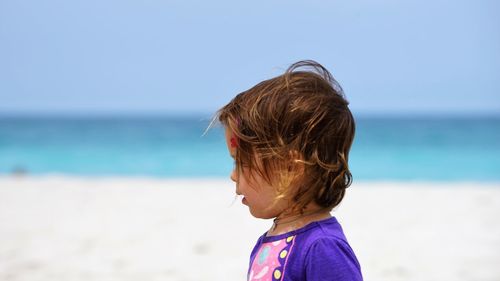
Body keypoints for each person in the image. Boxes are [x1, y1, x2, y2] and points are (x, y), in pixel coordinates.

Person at [215, 60, 362, 281]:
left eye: (241, 163)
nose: (233, 175)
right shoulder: (271, 239)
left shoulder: (322, 247)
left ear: (291, 168)